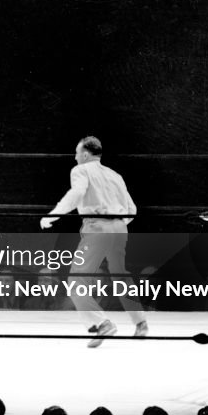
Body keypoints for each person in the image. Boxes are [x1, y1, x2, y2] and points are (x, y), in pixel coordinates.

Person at [40, 136, 148, 347]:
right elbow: (132, 209)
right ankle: (140, 322)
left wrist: (52, 216)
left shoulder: (81, 170)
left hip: (98, 228)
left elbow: (77, 193)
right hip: (120, 228)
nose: (75, 156)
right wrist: (116, 221)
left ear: (86, 154)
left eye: (77, 152)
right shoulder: (114, 174)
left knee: (76, 282)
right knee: (120, 276)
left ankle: (101, 323)